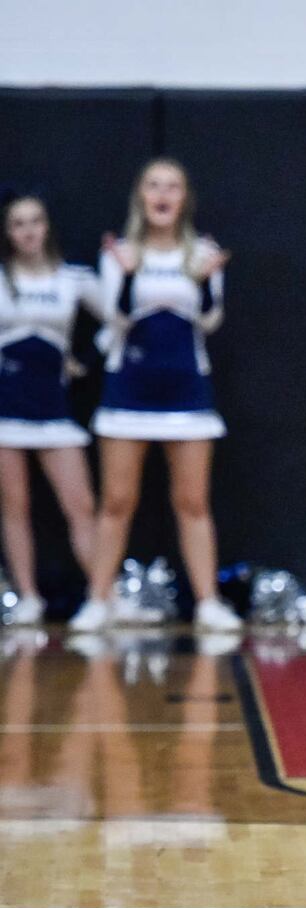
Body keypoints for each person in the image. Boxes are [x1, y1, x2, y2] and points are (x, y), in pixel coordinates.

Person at [67, 158, 241, 633]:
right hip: (129, 391)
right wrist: (125, 274)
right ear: (140, 196)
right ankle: (98, 600)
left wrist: (204, 281)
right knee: (117, 502)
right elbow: (116, 319)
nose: (162, 194)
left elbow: (209, 320)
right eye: (153, 185)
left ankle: (208, 604)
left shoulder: (201, 252)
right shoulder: (119, 252)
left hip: (187, 390)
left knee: (192, 502)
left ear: (184, 198)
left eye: (173, 186)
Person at [0, 194, 101, 625]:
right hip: (5, 407)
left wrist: (85, 362)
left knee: (80, 505)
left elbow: (121, 321)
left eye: (35, 221)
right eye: (18, 223)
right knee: (14, 507)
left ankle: (103, 595)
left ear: (47, 227)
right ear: (8, 232)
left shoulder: (73, 278)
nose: (28, 230)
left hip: (54, 410)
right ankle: (28, 597)